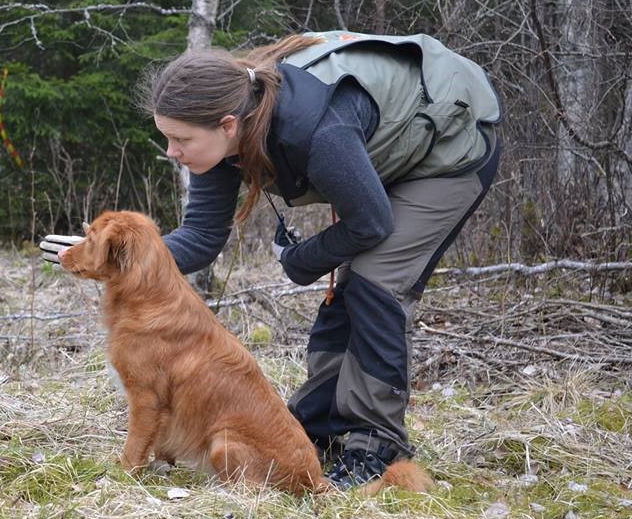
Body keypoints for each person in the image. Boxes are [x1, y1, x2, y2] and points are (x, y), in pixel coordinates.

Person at [41, 30, 502, 489]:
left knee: (374, 281)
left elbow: (372, 225)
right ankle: (320, 430)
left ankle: (375, 445)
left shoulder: (317, 130)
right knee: (344, 291)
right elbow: (201, 237)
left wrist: (301, 260)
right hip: (377, 147)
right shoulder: (221, 142)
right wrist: (113, 259)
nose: (172, 153)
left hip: (450, 143)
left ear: (226, 126)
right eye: (167, 138)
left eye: (180, 140)